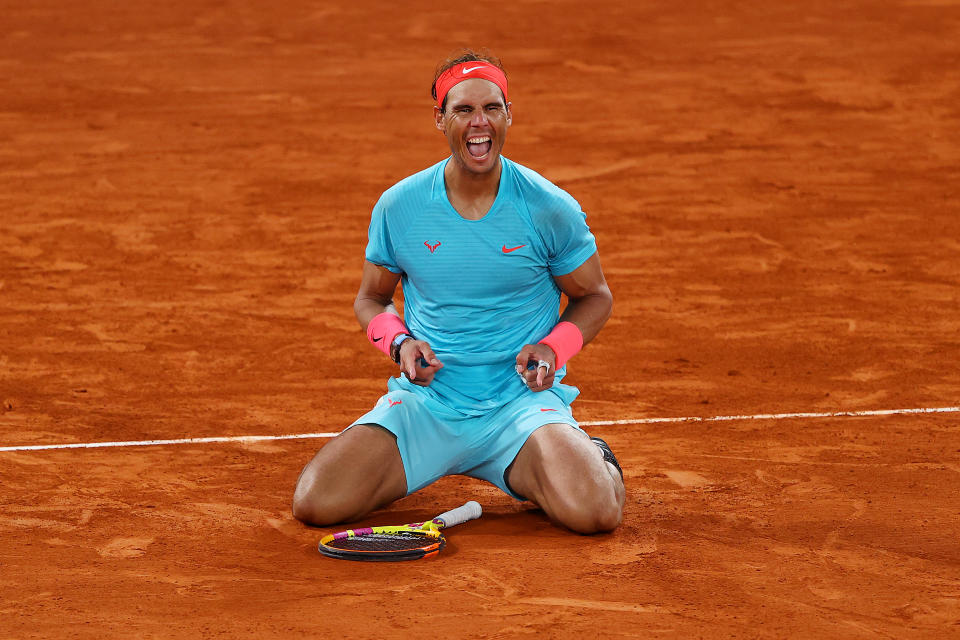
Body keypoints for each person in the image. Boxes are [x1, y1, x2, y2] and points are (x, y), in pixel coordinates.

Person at [292, 50, 624, 534]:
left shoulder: (549, 208)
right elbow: (372, 299)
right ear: (440, 118)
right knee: (316, 502)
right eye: (464, 109)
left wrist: (553, 348)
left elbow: (595, 296)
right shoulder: (399, 206)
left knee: (596, 513)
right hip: (428, 406)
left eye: (491, 108)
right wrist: (400, 345)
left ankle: (594, 457)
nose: (479, 123)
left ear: (509, 114)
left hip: (520, 409)